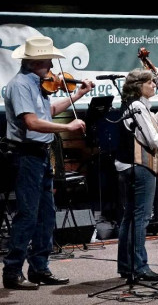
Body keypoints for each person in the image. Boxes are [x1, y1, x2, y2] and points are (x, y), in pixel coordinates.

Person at [3, 36, 94, 290]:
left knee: (46, 215)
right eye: (49, 60)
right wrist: (67, 127)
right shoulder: (21, 85)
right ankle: (11, 272)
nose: (53, 65)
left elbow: (48, 112)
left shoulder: (37, 83)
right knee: (28, 215)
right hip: (26, 155)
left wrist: (78, 94)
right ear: (37, 62)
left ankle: (39, 268)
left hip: (41, 154)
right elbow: (32, 122)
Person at [114, 68, 158, 280]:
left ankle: (126, 266)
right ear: (139, 86)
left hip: (126, 167)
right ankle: (139, 267)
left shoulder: (137, 105)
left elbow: (155, 124)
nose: (154, 85)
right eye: (150, 83)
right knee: (141, 218)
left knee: (130, 218)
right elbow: (154, 139)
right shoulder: (137, 106)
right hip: (138, 167)